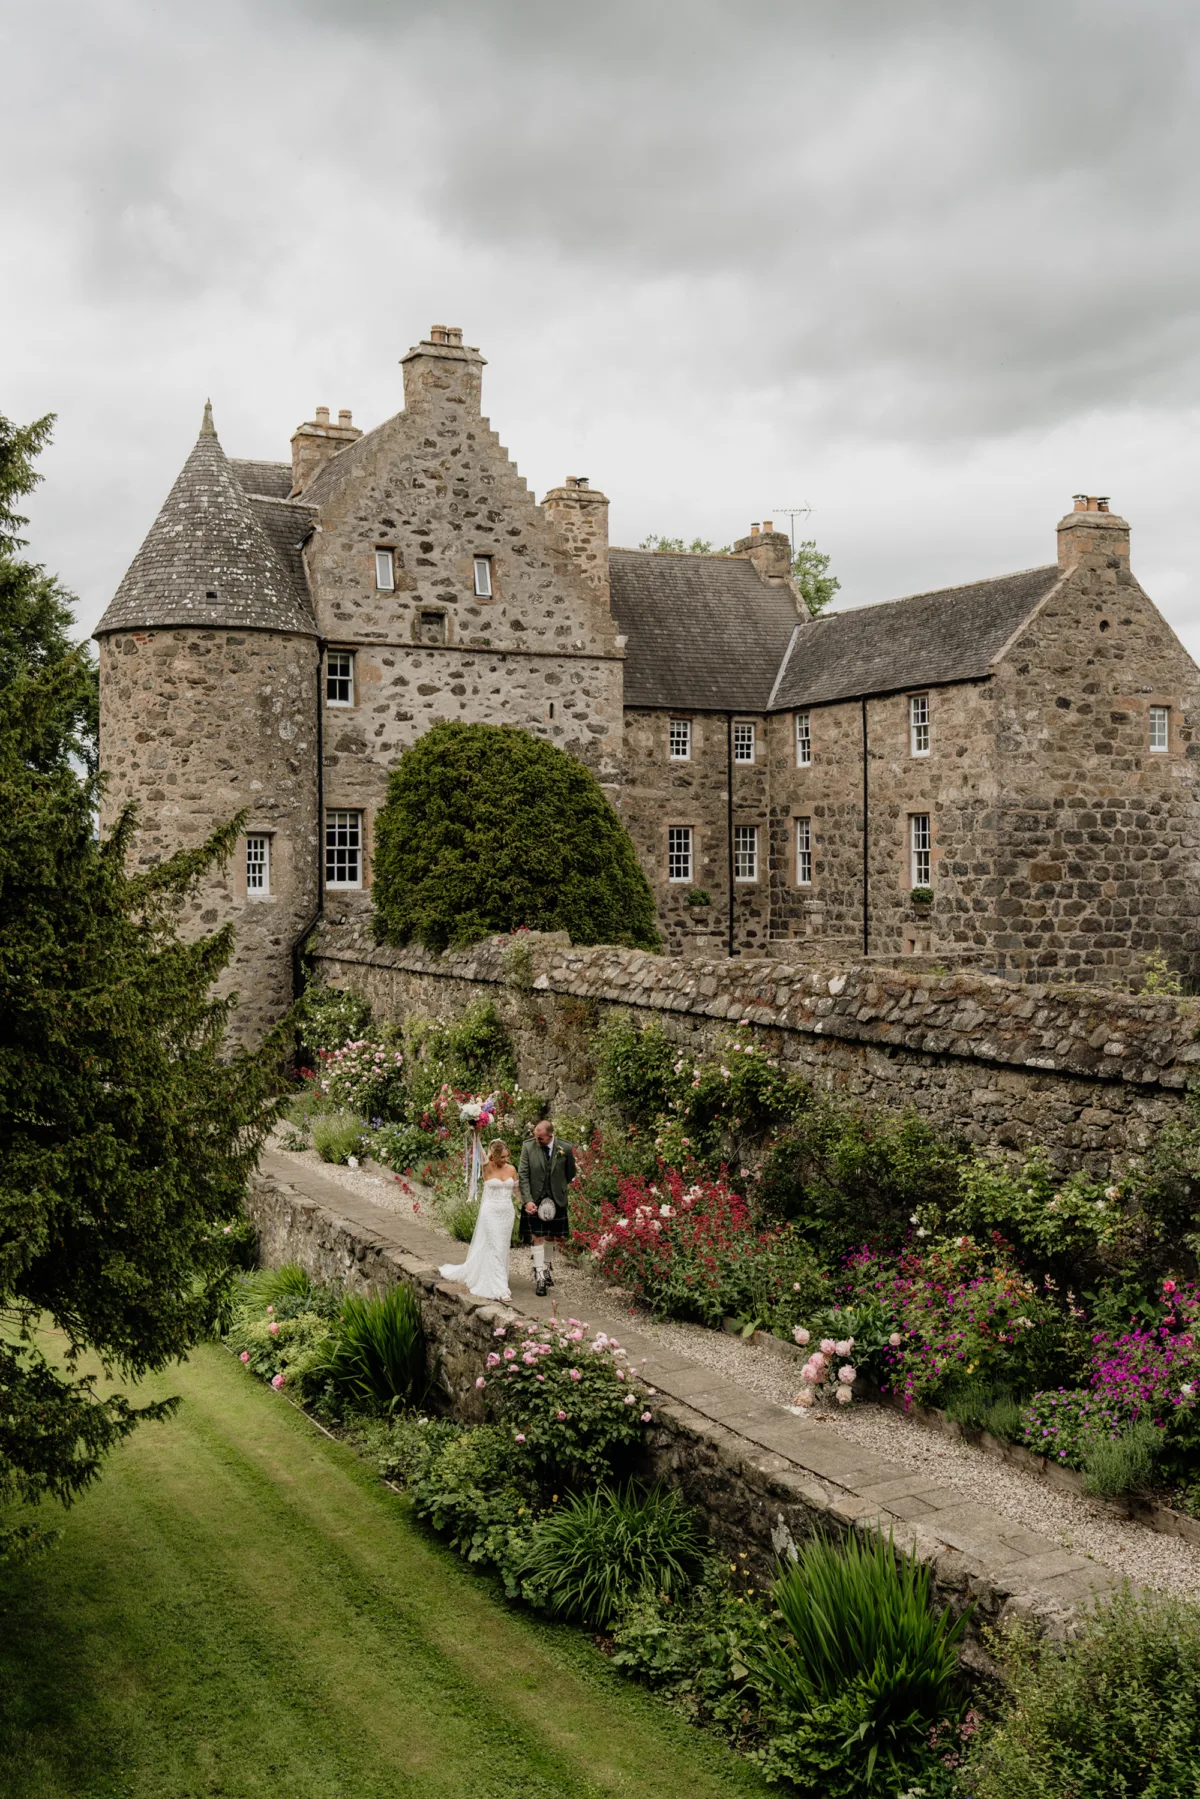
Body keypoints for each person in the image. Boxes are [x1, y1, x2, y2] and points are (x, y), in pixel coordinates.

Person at [438, 1139, 518, 1302]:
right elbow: (478, 1149)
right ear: (493, 1156)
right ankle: (500, 1289)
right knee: (495, 1246)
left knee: (501, 1247)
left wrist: (529, 1204)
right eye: (502, 1157)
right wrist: (476, 1129)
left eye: (506, 1157)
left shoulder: (511, 1169)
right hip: (490, 1212)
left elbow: (517, 1190)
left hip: (507, 1213)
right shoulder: (486, 1167)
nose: (505, 1160)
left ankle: (494, 1274)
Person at [518, 1118, 576, 1297]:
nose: (537, 1140)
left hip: (557, 1200)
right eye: (536, 1136)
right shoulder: (528, 1147)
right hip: (534, 1200)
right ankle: (540, 1276)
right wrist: (527, 1200)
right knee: (538, 1237)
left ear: (550, 1135)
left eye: (541, 1138)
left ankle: (546, 1267)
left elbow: (570, 1173)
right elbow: (523, 1175)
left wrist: (558, 1189)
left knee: (551, 1236)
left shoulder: (565, 1148)